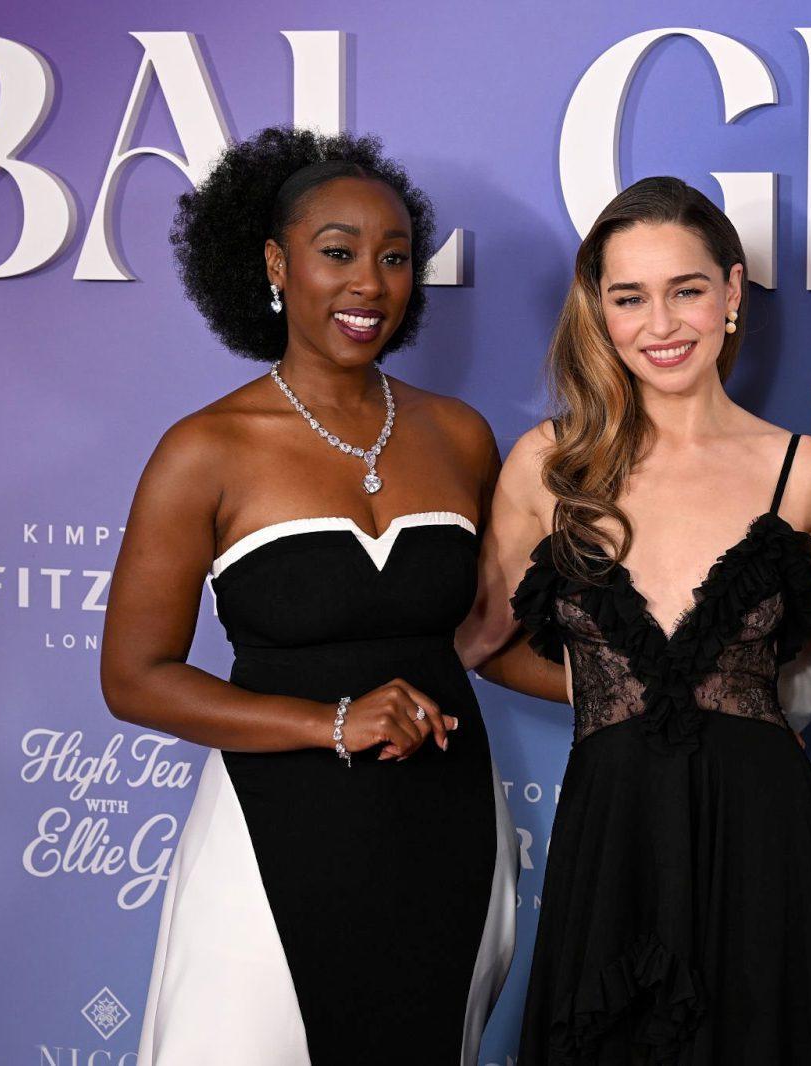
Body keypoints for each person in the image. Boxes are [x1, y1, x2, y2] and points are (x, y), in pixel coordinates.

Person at [101, 126, 517, 1066]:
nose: (369, 284)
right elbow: (134, 678)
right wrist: (331, 723)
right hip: (273, 823)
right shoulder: (204, 449)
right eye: (338, 253)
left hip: (446, 822)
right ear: (275, 265)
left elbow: (490, 633)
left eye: (395, 258)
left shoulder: (460, 436)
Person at [458, 176, 811, 1065]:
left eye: (686, 290)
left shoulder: (801, 469)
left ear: (731, 292)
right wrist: (609, 688)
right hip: (614, 837)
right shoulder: (550, 466)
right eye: (629, 297)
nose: (662, 324)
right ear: (598, 311)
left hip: (764, 836)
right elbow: (478, 640)